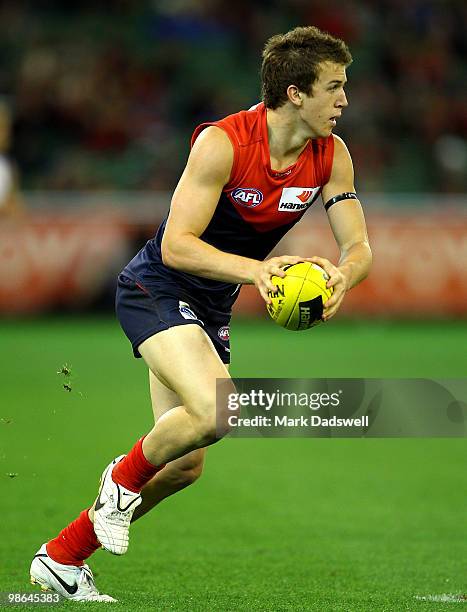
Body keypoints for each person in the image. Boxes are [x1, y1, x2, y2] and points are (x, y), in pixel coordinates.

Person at [30, 25, 372, 602]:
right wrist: (258, 271)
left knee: (184, 465)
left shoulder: (330, 155)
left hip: (209, 306)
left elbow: (359, 248)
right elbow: (176, 246)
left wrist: (343, 276)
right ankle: (118, 481)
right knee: (218, 410)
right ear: (295, 93)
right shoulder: (225, 143)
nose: (344, 100)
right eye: (333, 87)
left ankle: (62, 559)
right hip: (155, 286)